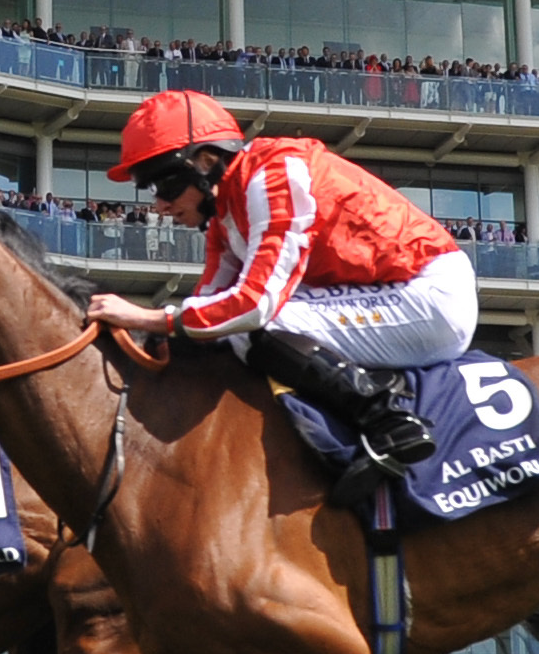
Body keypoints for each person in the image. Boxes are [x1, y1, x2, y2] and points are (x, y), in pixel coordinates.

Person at [82, 89, 473, 489]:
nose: (160, 207)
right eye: (149, 192)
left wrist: (147, 316)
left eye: (164, 188)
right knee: (219, 336)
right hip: (386, 294)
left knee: (253, 328)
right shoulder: (224, 215)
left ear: (205, 162)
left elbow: (252, 306)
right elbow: (206, 304)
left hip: (427, 296)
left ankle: (388, 419)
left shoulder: (273, 176)